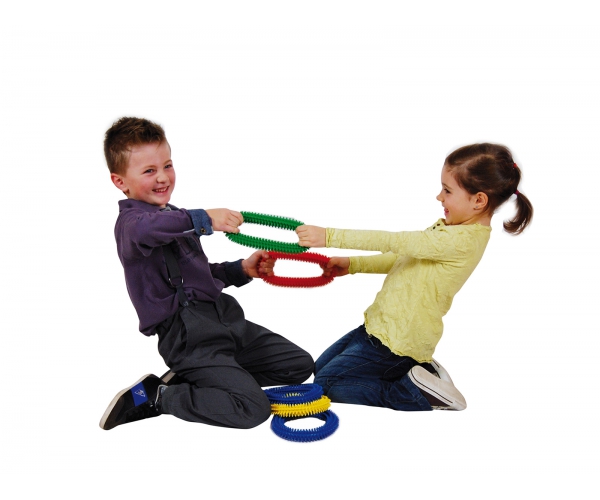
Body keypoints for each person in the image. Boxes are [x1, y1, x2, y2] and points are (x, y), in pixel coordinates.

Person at [99, 117, 313, 430]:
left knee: (299, 366)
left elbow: (198, 275)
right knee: (253, 409)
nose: (163, 177)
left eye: (167, 166)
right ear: (120, 182)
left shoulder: (175, 216)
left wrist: (241, 269)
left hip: (225, 320)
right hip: (190, 337)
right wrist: (205, 218)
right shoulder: (133, 226)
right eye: (149, 171)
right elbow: (152, 229)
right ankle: (159, 397)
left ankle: (211, 380)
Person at [296, 143, 533, 411]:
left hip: (397, 343)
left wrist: (329, 236)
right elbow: (405, 258)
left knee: (325, 385)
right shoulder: (453, 229)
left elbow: (394, 241)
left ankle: (411, 392)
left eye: (447, 190)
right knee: (319, 369)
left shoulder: (463, 241)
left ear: (478, 201)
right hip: (379, 328)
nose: (439, 197)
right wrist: (353, 264)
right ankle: (419, 369)